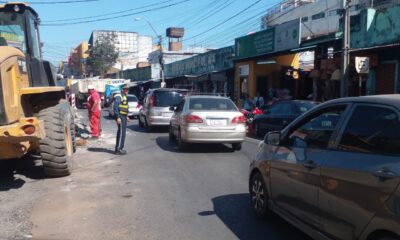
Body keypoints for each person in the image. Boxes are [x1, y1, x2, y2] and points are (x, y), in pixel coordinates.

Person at [113, 84, 129, 155]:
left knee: (123, 133)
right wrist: (118, 117)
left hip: (124, 116)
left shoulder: (124, 96)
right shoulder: (119, 96)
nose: (127, 90)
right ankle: (118, 149)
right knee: (121, 132)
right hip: (120, 116)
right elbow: (116, 107)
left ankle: (120, 148)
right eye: (126, 89)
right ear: (122, 89)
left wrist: (127, 116)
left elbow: (124, 107)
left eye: (128, 89)